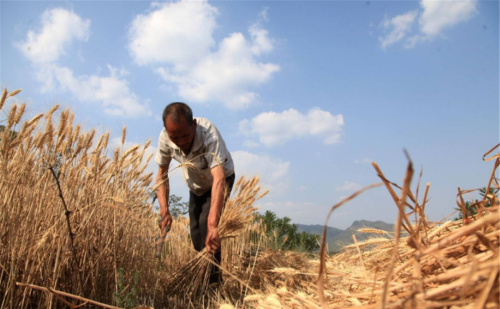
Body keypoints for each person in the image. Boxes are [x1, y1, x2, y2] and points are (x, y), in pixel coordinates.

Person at [155, 102, 235, 284]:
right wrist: (164, 210)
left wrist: (214, 224)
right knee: (196, 234)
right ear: (167, 132)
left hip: (221, 180)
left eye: (185, 135)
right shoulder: (165, 139)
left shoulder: (208, 134)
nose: (181, 141)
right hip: (196, 185)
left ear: (194, 125)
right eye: (175, 137)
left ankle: (212, 285)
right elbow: (162, 175)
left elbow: (219, 178)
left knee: (208, 229)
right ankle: (202, 278)